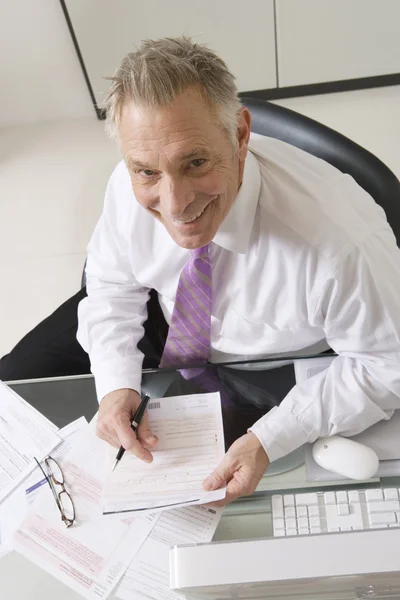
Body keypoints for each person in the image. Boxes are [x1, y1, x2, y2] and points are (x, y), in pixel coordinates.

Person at [1, 37, 400, 506]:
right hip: (165, 312)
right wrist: (115, 385)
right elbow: (110, 287)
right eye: (147, 172)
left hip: (273, 364)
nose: (175, 205)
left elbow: (386, 364)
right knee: (12, 396)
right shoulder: (126, 186)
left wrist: (272, 437)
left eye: (195, 163)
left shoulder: (342, 244)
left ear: (241, 135)